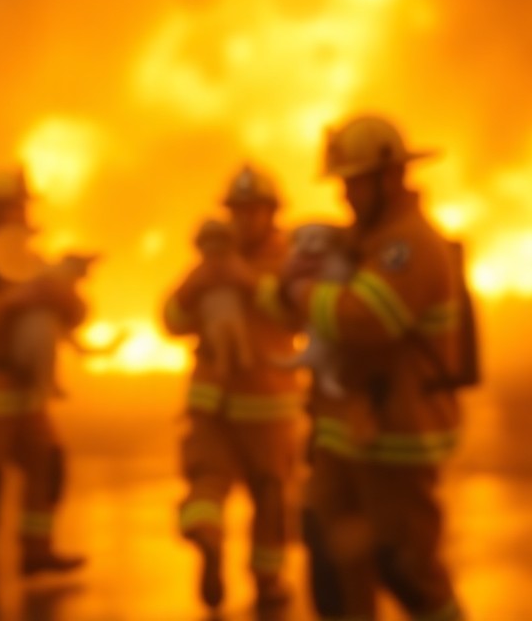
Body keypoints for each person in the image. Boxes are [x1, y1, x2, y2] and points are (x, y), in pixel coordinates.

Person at [268, 115, 466, 621]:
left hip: (398, 435)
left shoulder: (409, 246)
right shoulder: (359, 240)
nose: (344, 195)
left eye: (353, 182)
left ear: (389, 177)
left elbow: (366, 318)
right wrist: (286, 285)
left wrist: (301, 291)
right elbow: (288, 305)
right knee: (330, 547)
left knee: (405, 567)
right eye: (342, 182)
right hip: (344, 433)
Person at [0, 164, 88, 610]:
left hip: (25, 393)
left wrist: (63, 292)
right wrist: (13, 301)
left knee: (49, 462)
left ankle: (36, 554)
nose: (24, 215)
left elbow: (75, 314)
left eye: (24, 206)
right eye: (17, 207)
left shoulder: (30, 259)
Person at [162, 163, 302, 611]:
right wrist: (195, 287)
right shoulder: (210, 262)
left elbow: (299, 317)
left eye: (252, 210)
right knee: (208, 482)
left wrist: (251, 283)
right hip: (215, 404)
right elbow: (172, 321)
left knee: (271, 496)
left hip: (265, 402)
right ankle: (209, 543)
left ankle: (266, 580)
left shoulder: (287, 261)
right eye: (237, 211)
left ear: (271, 213)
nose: (243, 219)